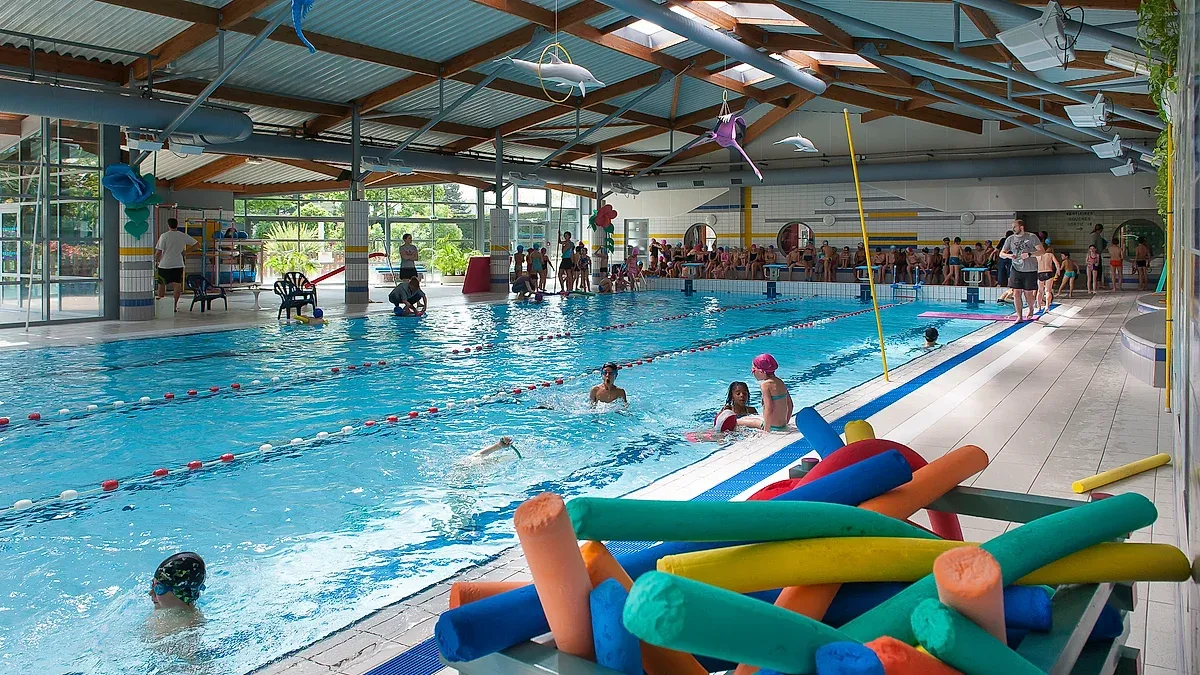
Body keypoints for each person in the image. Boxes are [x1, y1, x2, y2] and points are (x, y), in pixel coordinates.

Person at [999, 219, 1044, 321]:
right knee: (1016, 292)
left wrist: (1029, 254)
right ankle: (1019, 316)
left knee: (1028, 293)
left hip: (1030, 269)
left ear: (1021, 227)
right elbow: (1001, 254)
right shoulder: (1010, 239)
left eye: (1015, 227)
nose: (1013, 229)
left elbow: (1042, 251)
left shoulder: (1032, 237)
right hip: (1016, 268)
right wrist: (1009, 255)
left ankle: (1031, 308)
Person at [737, 353, 793, 432]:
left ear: (761, 371)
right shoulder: (780, 382)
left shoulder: (765, 385)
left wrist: (766, 431)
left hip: (772, 427)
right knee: (750, 417)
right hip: (781, 425)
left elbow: (769, 408)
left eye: (753, 369)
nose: (752, 372)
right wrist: (785, 423)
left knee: (739, 421)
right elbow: (790, 405)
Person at [154, 218, 197, 312]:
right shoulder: (182, 236)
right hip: (178, 264)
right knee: (177, 285)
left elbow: (159, 252)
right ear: (177, 225)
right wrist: (185, 252)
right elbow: (197, 244)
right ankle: (174, 306)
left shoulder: (164, 236)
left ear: (168, 225)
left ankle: (161, 305)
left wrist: (156, 261)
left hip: (164, 264)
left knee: (162, 284)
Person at [1035, 246, 1061, 313]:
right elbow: (1057, 264)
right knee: (1048, 291)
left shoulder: (1037, 255)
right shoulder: (1050, 255)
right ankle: (1047, 307)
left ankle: (1039, 306)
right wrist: (1058, 272)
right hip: (1049, 272)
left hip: (1040, 273)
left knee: (1040, 291)